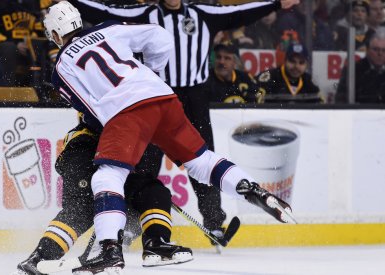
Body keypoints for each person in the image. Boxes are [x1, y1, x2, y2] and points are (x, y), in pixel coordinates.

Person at [43, 2, 294, 274]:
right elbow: (160, 37)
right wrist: (150, 73)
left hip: (125, 112)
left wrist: (117, 130)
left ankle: (109, 251)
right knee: (201, 160)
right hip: (162, 95)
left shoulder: (61, 69)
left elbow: (89, 110)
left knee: (108, 176)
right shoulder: (108, 30)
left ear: (55, 35)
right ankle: (252, 189)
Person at [14, 122, 193, 275]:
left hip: (119, 150)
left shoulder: (148, 116)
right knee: (82, 208)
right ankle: (41, 256)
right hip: (86, 147)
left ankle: (156, 243)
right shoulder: (118, 91)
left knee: (153, 192)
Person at [257, 43, 325, 104]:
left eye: (301, 63)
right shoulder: (271, 77)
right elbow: (255, 100)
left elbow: (320, 103)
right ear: (285, 61)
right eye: (292, 61)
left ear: (306, 65)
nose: (296, 66)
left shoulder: (308, 80)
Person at [335, 27, 385, 103]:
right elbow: (341, 99)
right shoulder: (353, 70)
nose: (380, 54)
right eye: (375, 49)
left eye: (384, 50)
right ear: (367, 50)